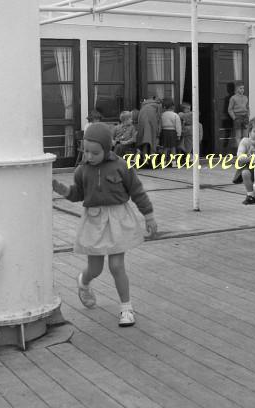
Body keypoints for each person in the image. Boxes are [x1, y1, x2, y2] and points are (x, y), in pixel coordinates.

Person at [52, 123, 158, 327]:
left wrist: (149, 215)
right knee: (96, 268)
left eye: (95, 152)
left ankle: (126, 308)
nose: (89, 156)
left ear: (107, 149)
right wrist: (63, 190)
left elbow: (137, 191)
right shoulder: (82, 170)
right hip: (94, 220)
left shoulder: (121, 166)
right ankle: (83, 281)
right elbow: (78, 194)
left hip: (118, 219)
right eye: (86, 151)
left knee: (117, 266)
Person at [136, 97, 161, 162]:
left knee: (145, 141)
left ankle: (145, 159)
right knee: (153, 141)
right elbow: (159, 118)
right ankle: (153, 160)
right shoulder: (157, 105)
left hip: (142, 124)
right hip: (152, 123)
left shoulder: (143, 105)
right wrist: (159, 130)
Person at [160, 99, 181, 164]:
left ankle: (163, 162)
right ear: (173, 106)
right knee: (173, 148)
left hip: (164, 132)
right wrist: (179, 134)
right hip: (172, 132)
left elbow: (160, 125)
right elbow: (178, 125)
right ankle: (174, 163)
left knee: (165, 148)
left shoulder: (162, 115)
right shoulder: (175, 115)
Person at [228, 81, 249, 146]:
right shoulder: (233, 98)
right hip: (238, 117)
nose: (242, 90)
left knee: (245, 136)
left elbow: (247, 107)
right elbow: (230, 109)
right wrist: (234, 118)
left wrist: (248, 115)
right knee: (238, 136)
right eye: (240, 88)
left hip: (245, 117)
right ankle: (240, 152)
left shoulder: (245, 97)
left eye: (243, 88)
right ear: (237, 89)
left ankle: (245, 150)